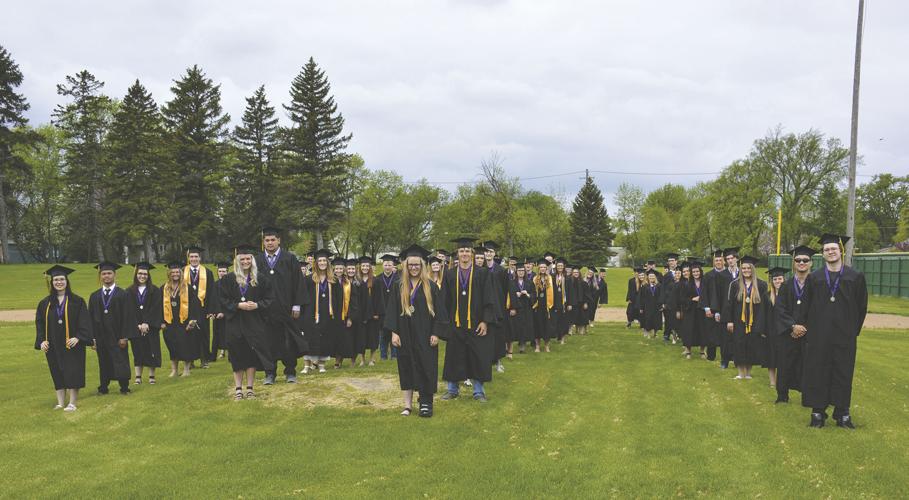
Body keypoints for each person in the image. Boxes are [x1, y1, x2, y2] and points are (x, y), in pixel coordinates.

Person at [800, 234, 868, 429]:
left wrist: (852, 331)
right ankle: (818, 413)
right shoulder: (815, 278)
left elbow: (861, 307)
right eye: (826, 249)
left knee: (843, 373)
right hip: (819, 336)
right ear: (823, 254)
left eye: (833, 249)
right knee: (818, 372)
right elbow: (806, 306)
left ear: (841, 251)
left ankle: (842, 414)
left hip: (844, 336)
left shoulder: (855, 277)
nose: (830, 252)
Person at [385, 244, 449, 417]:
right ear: (406, 266)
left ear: (422, 266)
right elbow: (391, 311)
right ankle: (407, 405)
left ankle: (426, 402)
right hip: (405, 334)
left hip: (426, 334)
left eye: (417, 265)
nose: (414, 268)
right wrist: (394, 332)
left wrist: (436, 332)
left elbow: (440, 313)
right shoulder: (399, 286)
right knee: (406, 366)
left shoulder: (431, 287)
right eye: (410, 265)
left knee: (426, 366)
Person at [441, 237, 496, 402]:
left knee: (478, 356)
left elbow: (489, 298)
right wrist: (446, 323)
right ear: (457, 254)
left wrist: (485, 321)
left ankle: (478, 391)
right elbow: (444, 300)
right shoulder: (450, 274)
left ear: (472, 253)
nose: (464, 253)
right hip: (456, 324)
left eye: (467, 251)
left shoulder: (483, 273)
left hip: (476, 324)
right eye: (461, 251)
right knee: (454, 356)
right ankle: (452, 389)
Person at [220, 245, 275, 400]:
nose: (245, 261)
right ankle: (238, 388)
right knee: (237, 354)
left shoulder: (260, 279)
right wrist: (238, 305)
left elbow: (270, 299)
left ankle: (250, 388)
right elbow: (223, 300)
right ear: (237, 261)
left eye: (248, 258)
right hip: (235, 322)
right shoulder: (228, 279)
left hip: (254, 322)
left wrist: (258, 305)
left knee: (251, 354)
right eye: (242, 259)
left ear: (252, 260)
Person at [35, 265, 92, 411]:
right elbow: (40, 324)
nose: (59, 282)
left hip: (71, 344)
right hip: (53, 344)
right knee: (56, 370)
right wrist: (42, 341)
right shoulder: (45, 303)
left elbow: (84, 321)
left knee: (73, 371)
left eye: (61, 279)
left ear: (67, 281)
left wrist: (78, 337)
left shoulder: (77, 301)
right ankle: (60, 402)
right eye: (55, 280)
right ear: (52, 282)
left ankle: (72, 402)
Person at [255, 227, 303, 385]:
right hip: (265, 311)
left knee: (288, 343)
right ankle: (270, 373)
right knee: (268, 343)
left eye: (272, 240)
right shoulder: (258, 260)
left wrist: (297, 305)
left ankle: (290, 372)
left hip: (286, 309)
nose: (270, 243)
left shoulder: (289, 258)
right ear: (263, 242)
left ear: (279, 240)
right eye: (267, 240)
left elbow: (298, 283)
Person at [773, 245, 815, 404]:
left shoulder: (816, 284)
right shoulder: (786, 286)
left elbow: (819, 309)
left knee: (808, 365)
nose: (802, 262)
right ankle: (782, 396)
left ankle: (808, 397)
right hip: (788, 333)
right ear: (794, 263)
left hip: (809, 334)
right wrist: (792, 326)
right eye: (798, 260)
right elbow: (780, 309)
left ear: (811, 263)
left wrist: (805, 328)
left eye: (805, 260)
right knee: (784, 364)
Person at [89, 261, 136, 395]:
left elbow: (128, 317)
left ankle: (124, 388)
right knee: (103, 362)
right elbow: (90, 318)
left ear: (115, 275)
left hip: (118, 336)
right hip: (101, 336)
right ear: (100, 276)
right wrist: (93, 338)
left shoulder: (123, 294)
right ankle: (103, 388)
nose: (106, 276)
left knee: (121, 360)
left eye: (109, 273)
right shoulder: (94, 296)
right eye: (103, 274)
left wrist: (125, 337)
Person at [723, 256, 768, 380]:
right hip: (738, 321)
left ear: (753, 269)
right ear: (741, 269)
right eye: (744, 268)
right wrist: (729, 321)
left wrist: (762, 324)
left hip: (755, 321)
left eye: (749, 268)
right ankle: (740, 373)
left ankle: (748, 373)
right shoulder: (735, 284)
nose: (746, 270)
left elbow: (764, 306)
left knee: (751, 345)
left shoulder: (761, 285)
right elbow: (729, 305)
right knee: (739, 345)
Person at [299, 249, 342, 374]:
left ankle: (322, 364)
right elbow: (303, 297)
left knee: (325, 339)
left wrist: (337, 315)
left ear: (328, 263)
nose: (322, 263)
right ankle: (307, 365)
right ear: (316, 263)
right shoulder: (308, 279)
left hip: (327, 315)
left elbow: (339, 300)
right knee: (309, 339)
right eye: (320, 261)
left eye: (324, 260)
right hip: (311, 314)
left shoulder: (333, 281)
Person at [161, 260, 202, 377]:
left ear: (181, 273)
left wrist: (192, 321)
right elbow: (158, 306)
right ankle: (174, 370)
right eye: (173, 272)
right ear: (169, 274)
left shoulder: (187, 288)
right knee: (172, 346)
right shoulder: (164, 289)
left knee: (185, 345)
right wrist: (161, 322)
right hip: (169, 323)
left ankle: (186, 370)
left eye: (177, 272)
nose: (175, 274)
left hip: (184, 322)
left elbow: (195, 305)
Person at [127, 262, 162, 385]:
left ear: (148, 275)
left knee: (151, 350)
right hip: (136, 327)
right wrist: (137, 324)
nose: (142, 276)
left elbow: (156, 308)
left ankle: (152, 376)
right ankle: (138, 377)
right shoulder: (130, 291)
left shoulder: (155, 290)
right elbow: (129, 310)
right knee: (138, 351)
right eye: (140, 273)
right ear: (136, 274)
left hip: (150, 327)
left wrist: (147, 323)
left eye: (145, 274)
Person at [184, 246, 215, 369]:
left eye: (196, 256)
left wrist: (211, 310)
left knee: (204, 334)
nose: (194, 259)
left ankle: (204, 360)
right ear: (188, 258)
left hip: (203, 308)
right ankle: (190, 360)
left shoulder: (208, 272)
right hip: (187, 309)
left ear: (200, 258)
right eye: (191, 257)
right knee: (188, 334)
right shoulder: (182, 271)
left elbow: (212, 292)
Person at [711, 247, 740, 369]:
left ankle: (737, 358)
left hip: (739, 309)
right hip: (725, 309)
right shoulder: (721, 275)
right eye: (727, 259)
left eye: (732, 258)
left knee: (738, 335)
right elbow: (716, 294)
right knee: (725, 336)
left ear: (737, 259)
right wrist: (716, 311)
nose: (730, 261)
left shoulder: (742, 273)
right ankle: (725, 359)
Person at [483, 241, 509, 373]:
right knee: (485, 335)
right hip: (484, 307)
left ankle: (499, 362)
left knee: (498, 335)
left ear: (494, 254)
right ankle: (486, 361)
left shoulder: (501, 270)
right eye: (486, 251)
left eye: (491, 252)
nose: (488, 254)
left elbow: (505, 289)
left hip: (498, 307)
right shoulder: (480, 269)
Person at [762, 267, 788, 388]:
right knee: (771, 357)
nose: (778, 281)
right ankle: (772, 382)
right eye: (775, 279)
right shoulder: (767, 296)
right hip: (771, 331)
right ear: (772, 281)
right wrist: (762, 329)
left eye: (780, 278)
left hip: (785, 330)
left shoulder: (789, 295)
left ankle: (783, 382)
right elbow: (762, 314)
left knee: (784, 358)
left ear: (784, 279)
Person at [334, 258, 361, 368]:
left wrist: (350, 317)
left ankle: (352, 361)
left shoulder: (348, 283)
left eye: (341, 268)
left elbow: (354, 301)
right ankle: (338, 360)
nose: (339, 270)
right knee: (337, 339)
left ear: (343, 269)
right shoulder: (332, 281)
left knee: (350, 339)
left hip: (346, 316)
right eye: (337, 268)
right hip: (335, 316)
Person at [679, 262, 708, 359]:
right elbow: (682, 299)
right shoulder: (687, 284)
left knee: (703, 330)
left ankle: (702, 351)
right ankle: (688, 351)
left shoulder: (705, 283)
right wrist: (692, 299)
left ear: (700, 272)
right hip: (690, 310)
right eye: (694, 272)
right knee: (689, 330)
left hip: (702, 310)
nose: (696, 273)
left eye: (697, 271)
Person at [702, 250, 726, 362]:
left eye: (720, 260)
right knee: (711, 332)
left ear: (724, 261)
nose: (718, 262)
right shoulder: (708, 276)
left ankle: (727, 356)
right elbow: (704, 293)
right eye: (716, 260)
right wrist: (706, 308)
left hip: (725, 309)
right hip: (711, 309)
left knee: (725, 333)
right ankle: (711, 356)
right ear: (714, 262)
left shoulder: (728, 274)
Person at [375, 254, 400, 361]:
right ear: (382, 266)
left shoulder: (398, 278)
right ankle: (383, 356)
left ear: (393, 265)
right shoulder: (378, 279)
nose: (387, 267)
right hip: (382, 311)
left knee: (394, 331)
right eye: (385, 265)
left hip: (395, 310)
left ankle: (394, 355)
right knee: (383, 335)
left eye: (389, 265)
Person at [509, 265, 537, 353]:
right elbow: (508, 296)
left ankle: (522, 346)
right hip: (516, 308)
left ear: (524, 272)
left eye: (522, 270)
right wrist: (515, 295)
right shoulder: (511, 282)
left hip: (526, 308)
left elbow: (534, 295)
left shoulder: (529, 282)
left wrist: (528, 294)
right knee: (516, 327)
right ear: (516, 272)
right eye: (519, 270)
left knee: (525, 327)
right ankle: (510, 347)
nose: (521, 272)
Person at [356, 256, 379, 367]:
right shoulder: (357, 281)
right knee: (361, 338)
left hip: (372, 315)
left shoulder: (375, 280)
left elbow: (379, 299)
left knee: (372, 337)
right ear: (360, 267)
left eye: (367, 266)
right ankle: (362, 360)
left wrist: (377, 313)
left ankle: (372, 358)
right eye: (363, 266)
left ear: (370, 267)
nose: (365, 268)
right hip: (360, 315)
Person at [532, 259, 557, 352]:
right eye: (541, 267)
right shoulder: (535, 279)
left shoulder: (550, 278)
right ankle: (537, 346)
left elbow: (554, 292)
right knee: (537, 326)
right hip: (537, 306)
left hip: (547, 306)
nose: (542, 269)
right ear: (538, 268)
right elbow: (532, 291)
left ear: (546, 268)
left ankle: (547, 346)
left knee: (547, 326)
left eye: (544, 267)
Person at [209, 261, 231, 361]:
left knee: (229, 335)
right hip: (217, 314)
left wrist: (224, 312)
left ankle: (231, 356)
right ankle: (213, 356)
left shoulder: (231, 284)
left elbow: (231, 300)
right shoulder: (214, 285)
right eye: (220, 271)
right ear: (217, 272)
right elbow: (213, 300)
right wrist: (214, 312)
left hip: (229, 314)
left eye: (224, 271)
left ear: (227, 272)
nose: (222, 273)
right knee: (216, 335)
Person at [638, 271, 662, 339]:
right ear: (648, 278)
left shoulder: (659, 286)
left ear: (655, 277)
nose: (651, 278)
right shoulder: (645, 286)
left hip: (657, 306)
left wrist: (661, 305)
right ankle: (648, 333)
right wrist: (641, 307)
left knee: (656, 320)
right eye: (650, 277)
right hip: (647, 306)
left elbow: (661, 296)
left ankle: (655, 333)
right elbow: (642, 298)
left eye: (653, 276)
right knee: (648, 319)